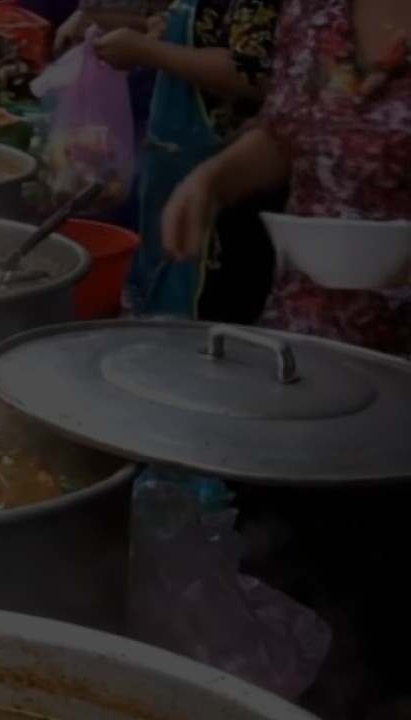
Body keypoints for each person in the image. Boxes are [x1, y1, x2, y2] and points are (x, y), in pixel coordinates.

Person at [164, 2, 411, 715]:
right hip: (297, 363)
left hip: (400, 388)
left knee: (386, 620)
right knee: (289, 583)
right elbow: (287, 131)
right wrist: (211, 181)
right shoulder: (314, 13)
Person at [94, 0, 282, 322]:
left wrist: (145, 51)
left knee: (202, 318)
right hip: (175, 165)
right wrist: (167, 29)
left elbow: (255, 73)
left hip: (230, 178)